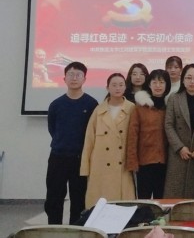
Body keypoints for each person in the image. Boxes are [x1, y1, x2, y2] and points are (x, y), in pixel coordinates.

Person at [45, 62, 98, 225]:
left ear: (84, 79)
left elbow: (93, 132)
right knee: (54, 197)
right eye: (70, 74)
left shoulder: (91, 104)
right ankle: (54, 229)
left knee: (79, 198)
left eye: (78, 75)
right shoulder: (56, 104)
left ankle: (76, 230)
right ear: (64, 79)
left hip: (80, 159)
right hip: (58, 157)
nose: (74, 78)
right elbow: (53, 129)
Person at [80, 73, 136, 206]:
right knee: (100, 206)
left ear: (125, 87)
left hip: (123, 165)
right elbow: (89, 140)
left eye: (121, 85)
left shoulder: (132, 108)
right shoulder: (99, 110)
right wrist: (85, 168)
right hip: (100, 165)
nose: (118, 88)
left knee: (122, 207)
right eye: (114, 85)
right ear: (107, 88)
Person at [163, 64, 194, 198]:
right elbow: (168, 125)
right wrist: (180, 147)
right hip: (178, 153)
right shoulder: (174, 98)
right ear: (183, 79)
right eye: (188, 77)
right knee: (174, 192)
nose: (192, 81)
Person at [126, 69, 170, 199]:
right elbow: (132, 136)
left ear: (167, 85)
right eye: (154, 82)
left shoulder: (170, 106)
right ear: (149, 84)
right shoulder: (140, 107)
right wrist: (132, 161)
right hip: (144, 161)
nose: (158, 86)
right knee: (143, 200)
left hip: (166, 161)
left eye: (161, 82)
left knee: (161, 200)